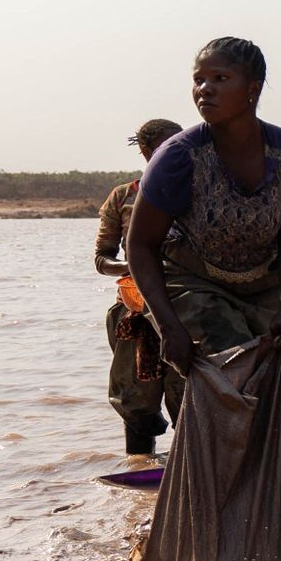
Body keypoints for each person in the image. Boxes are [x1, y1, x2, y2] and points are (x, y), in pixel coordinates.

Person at [126, 37, 281, 374]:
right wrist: (168, 326)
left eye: (220, 79)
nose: (204, 89)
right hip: (191, 283)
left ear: (253, 89)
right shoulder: (178, 157)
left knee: (269, 373)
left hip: (262, 286)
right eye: (198, 79)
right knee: (231, 360)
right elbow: (141, 245)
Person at [94, 119, 183, 454]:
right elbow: (102, 259)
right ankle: (140, 472)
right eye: (164, 147)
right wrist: (137, 265)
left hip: (187, 309)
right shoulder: (124, 196)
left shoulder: (198, 192)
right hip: (136, 312)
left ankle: (190, 471)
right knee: (135, 403)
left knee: (188, 396)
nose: (175, 153)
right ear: (146, 152)